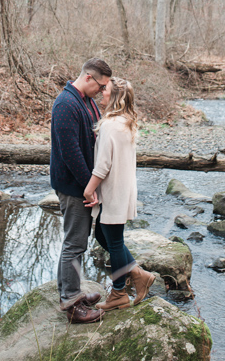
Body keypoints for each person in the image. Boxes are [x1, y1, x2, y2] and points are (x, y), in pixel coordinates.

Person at [83, 77, 156, 310]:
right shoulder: (125, 122)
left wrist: (89, 188)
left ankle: (118, 294)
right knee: (104, 238)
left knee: (113, 243)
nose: (102, 92)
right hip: (123, 189)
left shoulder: (110, 125)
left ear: (115, 97)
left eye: (106, 90)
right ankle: (138, 274)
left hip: (113, 190)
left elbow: (103, 165)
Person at [50, 57, 111, 323]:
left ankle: (71, 292)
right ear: (88, 78)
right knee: (74, 244)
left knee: (78, 242)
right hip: (73, 186)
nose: (102, 91)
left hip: (82, 184)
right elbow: (71, 152)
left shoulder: (85, 101)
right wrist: (89, 187)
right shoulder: (66, 104)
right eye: (101, 85)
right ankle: (72, 305)